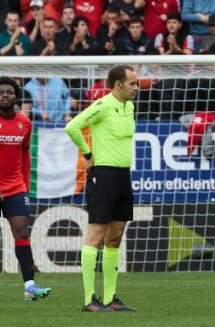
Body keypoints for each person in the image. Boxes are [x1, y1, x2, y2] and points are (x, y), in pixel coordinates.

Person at [64, 65, 139, 312]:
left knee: (115, 238)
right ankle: (89, 299)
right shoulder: (102, 105)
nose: (136, 87)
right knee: (95, 236)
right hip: (103, 176)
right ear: (118, 85)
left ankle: (110, 299)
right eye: (132, 83)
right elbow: (72, 126)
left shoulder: (129, 106)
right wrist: (87, 153)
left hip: (122, 177)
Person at [0, 78, 51, 302]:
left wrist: (24, 185)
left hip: (15, 188)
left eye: (9, 92)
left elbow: (25, 154)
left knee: (21, 231)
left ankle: (30, 286)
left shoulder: (24, 123)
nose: (6, 95)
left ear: (16, 96)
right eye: (1, 92)